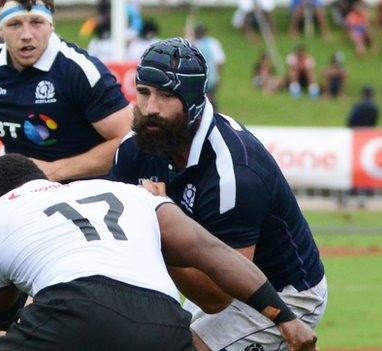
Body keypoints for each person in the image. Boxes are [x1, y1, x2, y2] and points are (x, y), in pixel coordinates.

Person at [0, 153, 319, 351]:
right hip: (162, 321)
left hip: (74, 310)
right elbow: (209, 250)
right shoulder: (126, 192)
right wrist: (285, 318)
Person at [110, 38, 327, 351]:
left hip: (282, 293)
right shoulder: (135, 148)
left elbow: (217, 298)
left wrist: (156, 220)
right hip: (207, 271)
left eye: (167, 95)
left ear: (194, 103)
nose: (151, 108)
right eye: (143, 92)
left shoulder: (233, 174)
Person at [0, 0, 133, 207]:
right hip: (27, 200)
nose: (26, 35)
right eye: (15, 24)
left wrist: (53, 170)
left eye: (36, 22)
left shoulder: (80, 71)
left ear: (51, 25)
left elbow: (129, 141)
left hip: (94, 199)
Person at [192, 24, 225, 109]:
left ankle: (212, 116)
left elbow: (219, 61)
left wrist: (218, 77)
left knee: (209, 99)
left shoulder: (211, 43)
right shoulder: (194, 43)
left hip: (209, 77)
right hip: (199, 77)